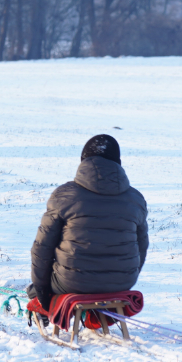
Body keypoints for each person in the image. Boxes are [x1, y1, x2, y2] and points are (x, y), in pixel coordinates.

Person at [26, 134, 148, 312]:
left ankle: (45, 307)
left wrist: (41, 290)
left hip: (72, 282)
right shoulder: (136, 199)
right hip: (122, 283)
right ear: (118, 162)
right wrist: (126, 277)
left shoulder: (64, 195)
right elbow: (142, 247)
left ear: (83, 161)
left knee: (33, 290)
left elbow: (42, 248)